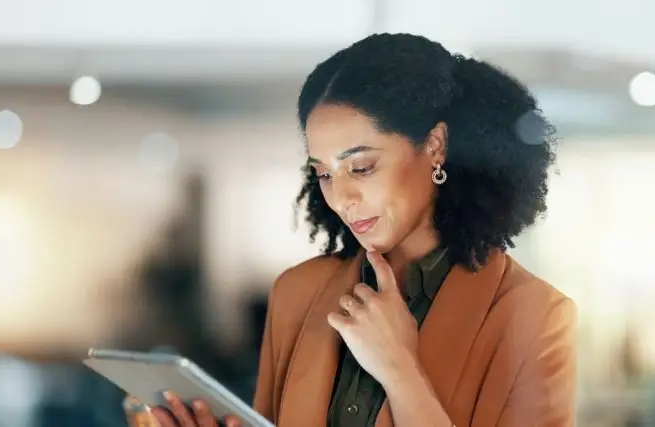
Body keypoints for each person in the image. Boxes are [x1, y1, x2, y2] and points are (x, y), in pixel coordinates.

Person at [148, 32, 576, 427]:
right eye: (324, 174)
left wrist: (399, 368)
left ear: (436, 146)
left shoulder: (534, 317)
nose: (342, 198)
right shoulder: (297, 294)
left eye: (361, 167)